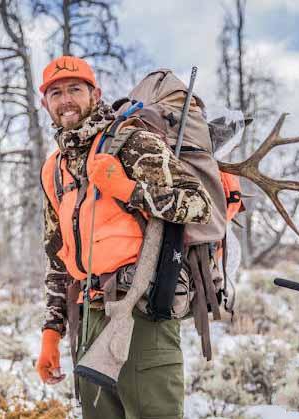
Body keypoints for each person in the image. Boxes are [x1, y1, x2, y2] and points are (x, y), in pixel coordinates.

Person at [35, 55, 212, 419]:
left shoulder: (129, 142)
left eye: (75, 89)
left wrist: (127, 189)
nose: (65, 99)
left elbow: (197, 204)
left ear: (95, 93)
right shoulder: (55, 168)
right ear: (45, 103)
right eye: (56, 93)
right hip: (89, 318)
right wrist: (51, 332)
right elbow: (58, 257)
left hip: (143, 313)